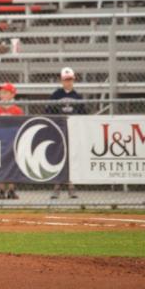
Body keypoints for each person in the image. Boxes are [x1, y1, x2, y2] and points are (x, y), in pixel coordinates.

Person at [46, 66, 85, 199]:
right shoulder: (56, 95)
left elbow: (83, 113)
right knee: (58, 157)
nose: (68, 82)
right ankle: (56, 187)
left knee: (71, 159)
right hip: (59, 130)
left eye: (70, 80)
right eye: (65, 80)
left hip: (72, 131)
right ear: (61, 81)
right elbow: (49, 111)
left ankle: (71, 187)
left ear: (73, 80)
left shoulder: (77, 96)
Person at [0, 82, 23, 200]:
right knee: (0, 165)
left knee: (13, 164)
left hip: (12, 142)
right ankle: (1, 190)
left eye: (4, 92)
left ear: (11, 94)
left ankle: (11, 190)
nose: (1, 95)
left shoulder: (17, 110)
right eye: (0, 93)